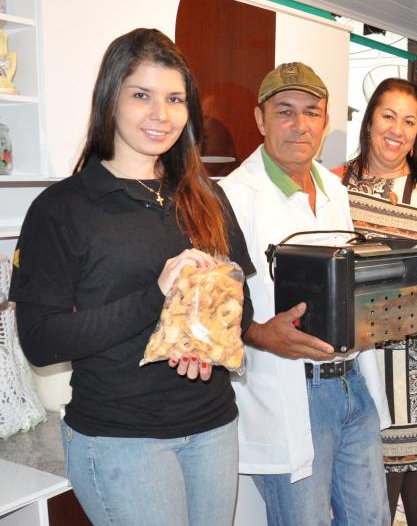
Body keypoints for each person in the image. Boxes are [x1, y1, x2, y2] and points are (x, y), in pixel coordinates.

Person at [10, 28, 255, 525]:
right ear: (110, 99)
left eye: (175, 99)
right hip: (121, 438)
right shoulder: (62, 209)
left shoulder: (206, 196)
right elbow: (41, 341)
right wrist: (156, 295)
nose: (161, 114)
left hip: (213, 426)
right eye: (142, 95)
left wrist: (204, 342)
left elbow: (241, 309)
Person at [220, 62, 391, 526]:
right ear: (260, 119)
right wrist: (259, 333)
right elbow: (212, 310)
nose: (300, 125)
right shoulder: (232, 197)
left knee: (372, 519)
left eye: (312, 112)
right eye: (285, 111)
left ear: (325, 121)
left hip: (354, 383)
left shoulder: (334, 189)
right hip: (292, 393)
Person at [331, 77, 417, 525]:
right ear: (370, 120)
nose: (398, 129)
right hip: (356, 348)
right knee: (370, 461)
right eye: (388, 116)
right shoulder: (334, 183)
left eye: (409, 121)